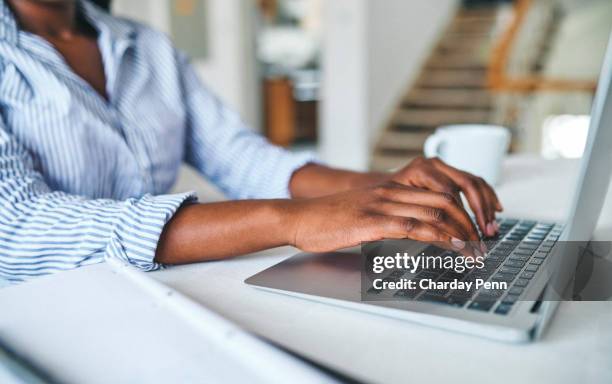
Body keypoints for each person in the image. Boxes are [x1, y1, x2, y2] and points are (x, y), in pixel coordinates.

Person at [0, 0, 502, 284]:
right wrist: (290, 219)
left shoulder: (145, 45)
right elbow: (18, 227)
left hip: (159, 291)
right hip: (41, 320)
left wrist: (385, 187)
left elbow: (237, 154)